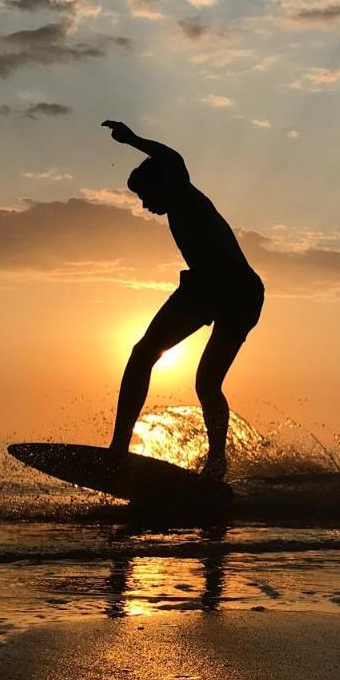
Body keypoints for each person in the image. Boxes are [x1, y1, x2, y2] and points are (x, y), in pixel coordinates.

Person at [102, 120, 264, 482]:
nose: (144, 206)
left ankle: (214, 464)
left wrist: (132, 140)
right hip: (213, 288)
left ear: (162, 183)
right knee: (150, 356)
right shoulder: (177, 205)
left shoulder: (183, 192)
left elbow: (172, 157)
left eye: (145, 195)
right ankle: (120, 446)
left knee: (202, 379)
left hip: (236, 290)